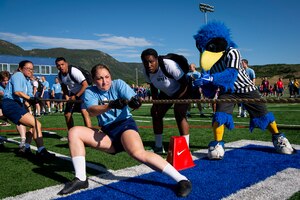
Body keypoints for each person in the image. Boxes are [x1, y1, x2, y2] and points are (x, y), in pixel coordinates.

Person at [58, 64, 192, 197]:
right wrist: (110, 105)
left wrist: (135, 102)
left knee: (138, 153)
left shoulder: (118, 84)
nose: (104, 81)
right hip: (107, 132)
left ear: (111, 76)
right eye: (99, 78)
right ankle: (81, 179)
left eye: (107, 77)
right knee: (74, 132)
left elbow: (134, 99)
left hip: (124, 126)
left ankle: (182, 179)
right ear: (93, 80)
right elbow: (92, 111)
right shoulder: (90, 91)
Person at [193, 21, 295, 159]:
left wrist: (211, 79)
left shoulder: (232, 52)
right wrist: (204, 85)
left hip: (246, 88)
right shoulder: (210, 63)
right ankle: (217, 144)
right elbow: (211, 90)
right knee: (220, 115)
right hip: (227, 91)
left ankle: (278, 138)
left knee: (263, 114)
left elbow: (230, 74)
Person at [2, 60, 56, 161]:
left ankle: (26, 148)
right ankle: (41, 151)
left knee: (33, 127)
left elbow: (29, 95)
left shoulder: (27, 80)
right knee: (37, 124)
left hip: (17, 104)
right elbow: (17, 92)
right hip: (11, 104)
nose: (30, 71)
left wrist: (34, 98)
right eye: (27, 68)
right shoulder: (18, 75)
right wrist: (30, 99)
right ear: (20, 68)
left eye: (31, 69)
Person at [140, 48, 190, 154]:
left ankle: (186, 148)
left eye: (151, 61)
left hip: (183, 89)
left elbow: (185, 82)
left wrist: (178, 100)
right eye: (145, 62)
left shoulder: (169, 65)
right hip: (166, 93)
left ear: (157, 59)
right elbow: (153, 87)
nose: (148, 65)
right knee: (156, 112)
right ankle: (158, 146)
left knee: (179, 111)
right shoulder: (145, 71)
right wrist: (155, 104)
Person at [55, 57, 92, 139]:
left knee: (84, 112)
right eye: (58, 65)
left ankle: (90, 136)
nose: (61, 67)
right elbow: (64, 87)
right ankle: (71, 135)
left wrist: (76, 96)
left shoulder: (74, 71)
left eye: (62, 64)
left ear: (66, 64)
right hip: (73, 93)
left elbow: (85, 85)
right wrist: (67, 96)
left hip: (84, 91)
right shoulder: (60, 75)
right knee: (67, 114)